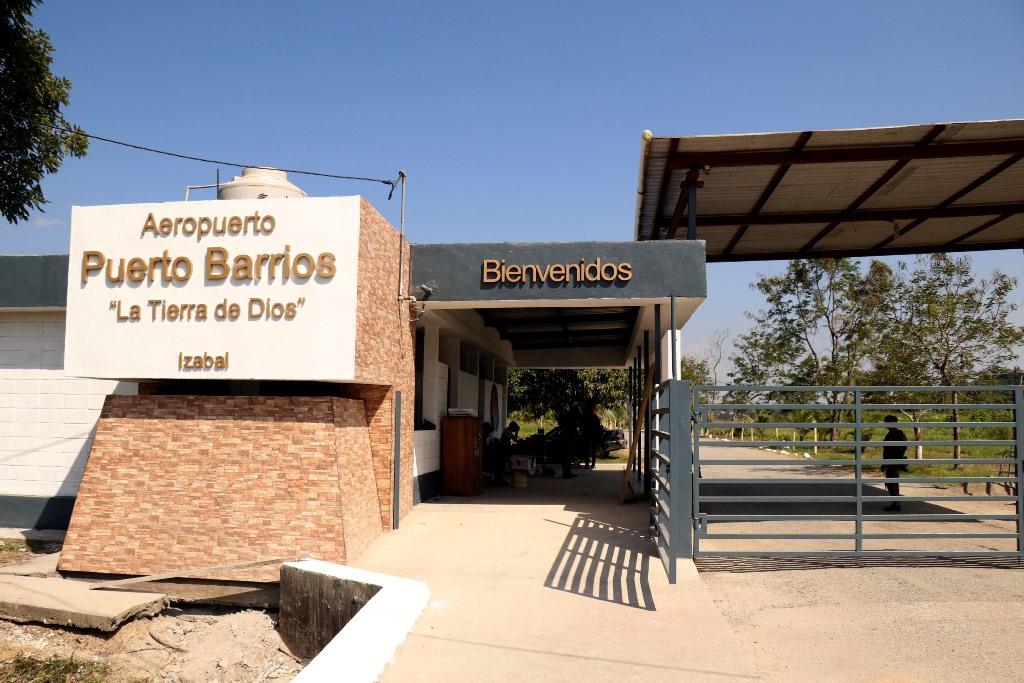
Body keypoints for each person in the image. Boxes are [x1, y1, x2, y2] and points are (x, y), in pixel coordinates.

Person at [881, 414, 909, 511]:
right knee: (892, 482)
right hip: (889, 461)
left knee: (891, 483)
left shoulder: (899, 434)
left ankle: (896, 503)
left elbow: (902, 447)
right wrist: (884, 463)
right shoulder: (889, 434)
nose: (887, 424)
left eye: (889, 422)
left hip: (895, 461)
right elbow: (886, 450)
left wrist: (893, 446)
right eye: (887, 422)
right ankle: (895, 502)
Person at [495, 421, 519, 486]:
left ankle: (499, 479)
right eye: (514, 429)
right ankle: (498, 480)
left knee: (502, 465)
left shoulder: (508, 431)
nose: (514, 430)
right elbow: (515, 439)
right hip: (502, 450)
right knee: (501, 465)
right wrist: (517, 431)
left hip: (504, 449)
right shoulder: (507, 431)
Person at [557, 412, 578, 479]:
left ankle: (568, 472)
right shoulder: (564, 425)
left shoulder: (565, 424)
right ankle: (565, 473)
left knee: (568, 457)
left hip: (568, 439)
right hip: (565, 439)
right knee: (565, 457)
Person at [582, 404, 602, 469]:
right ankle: (590, 464)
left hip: (591, 436)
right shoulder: (593, 417)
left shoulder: (590, 417)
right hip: (590, 436)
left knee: (590, 451)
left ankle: (590, 464)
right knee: (589, 451)